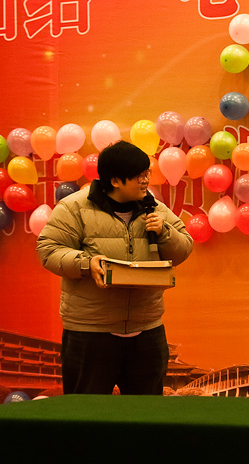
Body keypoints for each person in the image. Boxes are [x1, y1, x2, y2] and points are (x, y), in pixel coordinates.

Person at [36, 140, 193, 395]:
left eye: (147, 173)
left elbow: (184, 248)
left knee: (146, 412)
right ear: (115, 180)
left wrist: (165, 232)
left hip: (147, 330)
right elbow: (48, 249)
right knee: (86, 412)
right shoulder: (74, 208)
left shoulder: (154, 207)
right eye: (139, 176)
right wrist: (86, 263)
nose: (146, 180)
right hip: (89, 332)